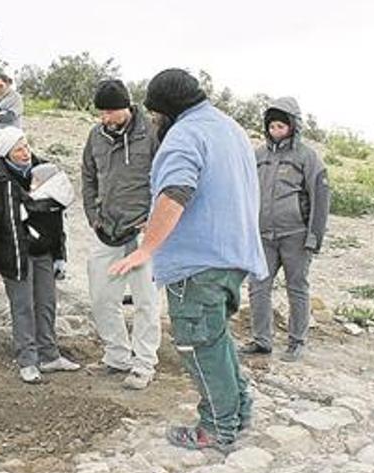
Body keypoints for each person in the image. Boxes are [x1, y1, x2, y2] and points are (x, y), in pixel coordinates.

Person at [109, 69, 268, 451]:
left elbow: (177, 191)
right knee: (217, 340)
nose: (155, 122)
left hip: (199, 263)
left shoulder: (184, 134)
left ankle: (216, 429)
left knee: (198, 345)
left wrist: (147, 248)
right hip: (234, 255)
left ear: (165, 111)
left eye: (155, 114)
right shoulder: (229, 127)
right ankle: (239, 411)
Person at [0, 126, 80, 384]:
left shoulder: (45, 171)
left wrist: (61, 254)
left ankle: (49, 355)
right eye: (18, 149)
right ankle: (27, 360)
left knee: (46, 303)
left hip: (44, 250)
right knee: (23, 306)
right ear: (5, 155)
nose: (25, 153)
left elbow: (58, 217)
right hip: (14, 254)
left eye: (26, 146)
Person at [82, 80, 161, 390]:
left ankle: (143, 364)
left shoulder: (153, 133)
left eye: (111, 111)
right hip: (106, 229)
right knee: (102, 297)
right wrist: (92, 215)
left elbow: (167, 177)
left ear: (127, 107)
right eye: (102, 112)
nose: (105, 118)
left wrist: (154, 219)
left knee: (146, 301)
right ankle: (116, 356)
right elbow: (88, 175)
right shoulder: (95, 136)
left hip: (143, 232)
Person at [242, 97, 330, 362]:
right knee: (258, 287)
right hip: (262, 236)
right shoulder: (257, 155)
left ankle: (297, 341)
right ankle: (261, 340)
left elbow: (320, 197)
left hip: (296, 235)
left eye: (281, 126)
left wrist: (314, 237)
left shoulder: (308, 157)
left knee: (297, 287)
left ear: (293, 126)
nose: (276, 131)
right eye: (272, 126)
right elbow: (245, 193)